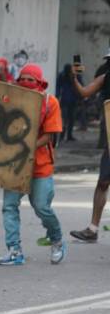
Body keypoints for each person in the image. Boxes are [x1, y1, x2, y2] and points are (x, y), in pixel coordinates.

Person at [0, 64, 67, 266]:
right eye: (23, 78)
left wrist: (27, 146)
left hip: (40, 165)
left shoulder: (50, 102)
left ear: (40, 82)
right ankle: (14, 250)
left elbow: (49, 135)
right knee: (9, 206)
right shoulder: (11, 98)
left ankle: (57, 240)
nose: (26, 82)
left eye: (31, 79)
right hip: (15, 165)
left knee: (42, 207)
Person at [69, 51, 110, 242]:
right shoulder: (105, 78)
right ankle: (92, 230)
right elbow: (85, 92)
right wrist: (74, 79)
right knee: (103, 183)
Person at [56, 64, 81, 142]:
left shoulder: (71, 76)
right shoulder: (65, 76)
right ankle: (66, 136)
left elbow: (58, 87)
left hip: (69, 100)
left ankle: (65, 136)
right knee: (67, 119)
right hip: (68, 100)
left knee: (68, 119)